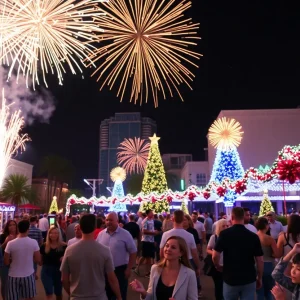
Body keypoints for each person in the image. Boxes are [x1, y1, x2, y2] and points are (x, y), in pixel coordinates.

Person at [61, 214, 122, 300]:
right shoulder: (104, 250)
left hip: (77, 296)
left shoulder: (69, 250)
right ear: (94, 228)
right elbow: (112, 279)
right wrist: (119, 297)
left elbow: (64, 279)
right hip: (99, 297)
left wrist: (72, 294)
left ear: (80, 227)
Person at [213, 207, 264, 300]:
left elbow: (215, 255)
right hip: (249, 277)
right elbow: (260, 260)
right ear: (243, 217)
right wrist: (259, 277)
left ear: (232, 217)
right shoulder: (253, 236)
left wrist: (217, 266)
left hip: (230, 277)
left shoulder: (224, 234)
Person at [130, 236, 198, 299]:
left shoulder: (189, 274)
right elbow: (151, 296)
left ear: (181, 253)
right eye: (167, 246)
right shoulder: (155, 269)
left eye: (173, 247)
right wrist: (143, 292)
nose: (168, 249)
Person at [4, 220, 41, 300]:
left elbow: (6, 261)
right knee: (29, 297)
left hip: (13, 275)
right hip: (28, 274)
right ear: (28, 229)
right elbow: (38, 259)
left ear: (18, 228)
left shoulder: (10, 243)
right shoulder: (33, 242)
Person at [40, 226, 67, 300]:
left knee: (58, 293)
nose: (53, 235)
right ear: (48, 234)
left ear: (59, 234)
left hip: (59, 271)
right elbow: (40, 260)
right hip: (46, 271)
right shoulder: (44, 246)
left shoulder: (64, 246)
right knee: (49, 293)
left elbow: (68, 259)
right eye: (51, 233)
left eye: (55, 233)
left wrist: (64, 258)